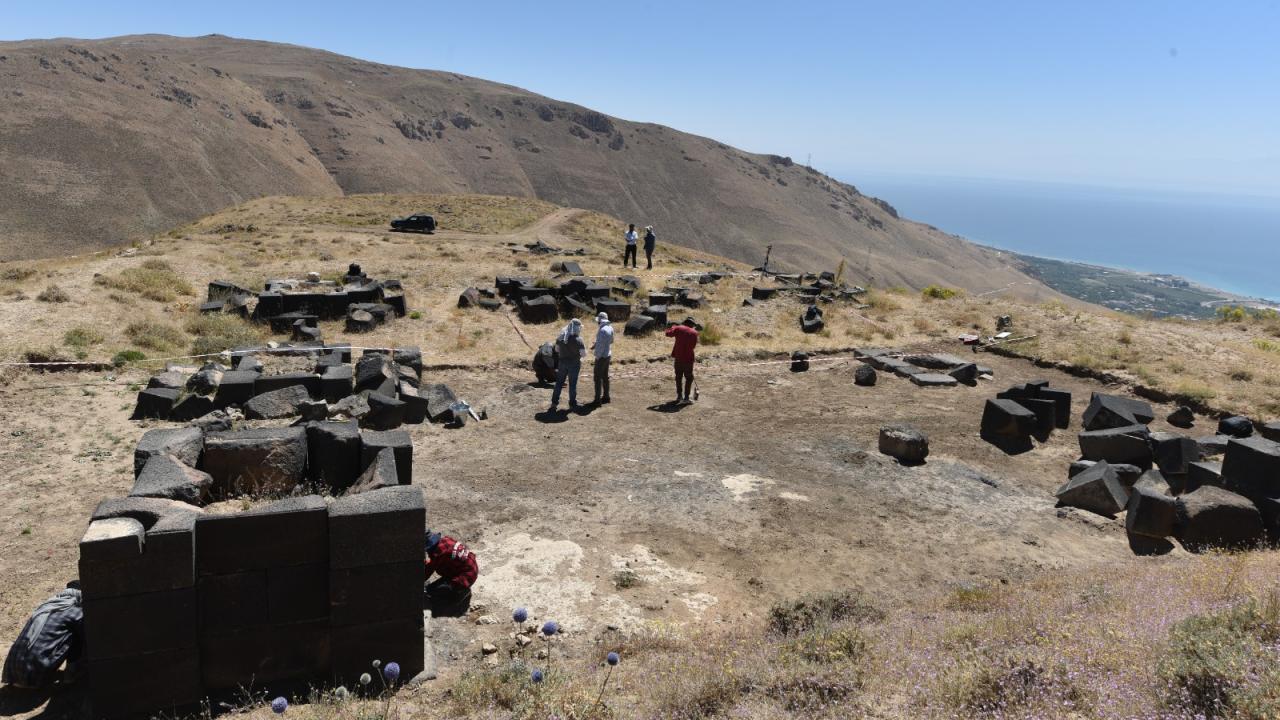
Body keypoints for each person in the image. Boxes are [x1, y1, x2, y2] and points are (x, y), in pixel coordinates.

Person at [424, 530, 479, 617]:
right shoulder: (445, 540)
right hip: (470, 569)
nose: (427, 552)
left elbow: (428, 570)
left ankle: (460, 593)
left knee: (432, 593)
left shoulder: (438, 553)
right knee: (430, 587)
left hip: (466, 576)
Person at [550, 318, 586, 410]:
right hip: (574, 364)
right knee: (572, 384)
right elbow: (583, 354)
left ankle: (554, 403)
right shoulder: (579, 340)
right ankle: (572, 404)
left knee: (559, 383)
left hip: (562, 363)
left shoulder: (561, 338)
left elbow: (556, 350)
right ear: (577, 328)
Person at [664, 316, 700, 404]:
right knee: (689, 378)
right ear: (692, 324)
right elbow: (693, 346)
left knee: (678, 377)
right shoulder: (695, 332)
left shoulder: (678, 328)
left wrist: (673, 327)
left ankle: (679, 396)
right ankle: (686, 398)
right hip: (688, 359)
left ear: (685, 323)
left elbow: (667, 334)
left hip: (678, 358)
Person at [591, 312, 614, 405]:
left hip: (601, 357)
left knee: (597, 378)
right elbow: (611, 341)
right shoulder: (610, 328)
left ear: (600, 320)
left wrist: (597, 356)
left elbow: (600, 347)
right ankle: (606, 397)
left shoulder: (602, 330)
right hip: (608, 355)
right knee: (605, 377)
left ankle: (597, 400)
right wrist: (596, 345)